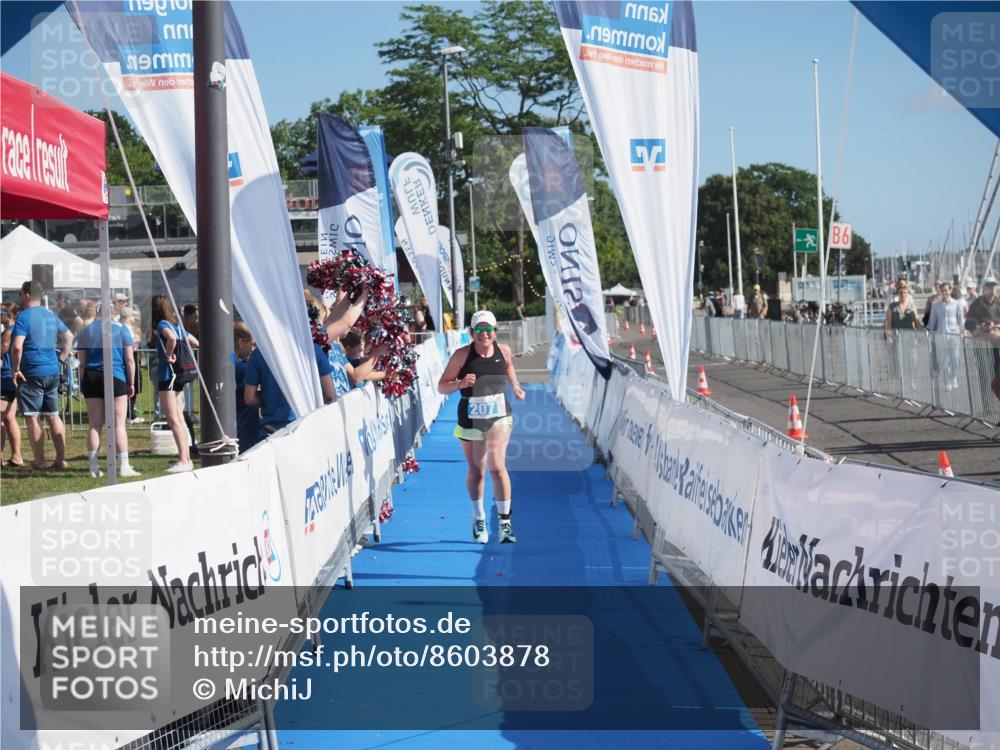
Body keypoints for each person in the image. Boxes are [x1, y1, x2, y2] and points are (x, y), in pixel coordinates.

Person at [437, 310, 526, 545]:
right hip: (470, 416)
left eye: (488, 330)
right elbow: (441, 387)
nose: (484, 334)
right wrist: (460, 383)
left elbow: (508, 367)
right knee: (477, 471)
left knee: (497, 466)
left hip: (499, 415)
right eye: (479, 330)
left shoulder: (503, 350)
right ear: (472, 333)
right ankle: (479, 518)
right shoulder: (462, 355)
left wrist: (515, 386)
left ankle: (505, 523)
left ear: (495, 332)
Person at [9, 280, 73, 470]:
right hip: (52, 371)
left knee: (32, 417)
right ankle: (61, 460)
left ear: (27, 295)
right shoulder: (50, 314)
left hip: (31, 373)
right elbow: (69, 336)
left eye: (20, 294)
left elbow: (17, 346)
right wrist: (62, 357)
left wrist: (15, 369)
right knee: (54, 416)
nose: (19, 297)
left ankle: (39, 461)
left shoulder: (23, 317)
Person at [77, 312, 141, 478]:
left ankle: (93, 467)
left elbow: (82, 362)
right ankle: (124, 466)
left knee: (94, 424)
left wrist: (83, 382)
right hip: (116, 375)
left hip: (91, 376)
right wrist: (132, 382)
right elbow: (129, 359)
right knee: (118, 424)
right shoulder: (121, 329)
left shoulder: (86, 330)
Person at [244, 342, 335, 439]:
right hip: (307, 428)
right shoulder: (312, 349)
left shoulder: (259, 354)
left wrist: (270, 399)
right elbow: (330, 394)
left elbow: (249, 398)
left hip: (273, 432)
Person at [152, 295, 199, 473]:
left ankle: (184, 460)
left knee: (173, 418)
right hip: (178, 376)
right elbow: (195, 342)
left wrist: (168, 355)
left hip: (168, 375)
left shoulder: (163, 325)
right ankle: (186, 458)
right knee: (179, 417)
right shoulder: (178, 326)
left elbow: (170, 338)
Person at [965, 276, 1000, 400]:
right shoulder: (976, 304)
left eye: (994, 286)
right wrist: (981, 328)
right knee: (985, 373)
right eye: (989, 286)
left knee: (998, 374)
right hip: (982, 344)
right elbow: (968, 323)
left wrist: (996, 326)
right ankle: (987, 403)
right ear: (983, 288)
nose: (992, 289)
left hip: (997, 343)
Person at [926, 281, 965, 391]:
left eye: (946, 290)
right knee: (943, 360)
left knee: (955, 359)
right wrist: (928, 330)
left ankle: (953, 376)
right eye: (942, 291)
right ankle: (947, 380)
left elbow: (961, 319)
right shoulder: (936, 305)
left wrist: (963, 331)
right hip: (941, 335)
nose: (944, 292)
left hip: (954, 335)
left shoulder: (956, 304)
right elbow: (932, 321)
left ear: (950, 290)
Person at [1, 304, 25, 468]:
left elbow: (4, 348)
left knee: (1, 419)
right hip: (11, 378)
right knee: (9, 418)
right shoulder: (17, 329)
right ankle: (16, 457)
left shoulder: (10, 330)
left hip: (5, 378)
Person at [231, 322, 261, 453]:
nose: (253, 348)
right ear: (241, 342)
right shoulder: (242, 368)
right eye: (252, 344)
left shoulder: (235, 362)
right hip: (244, 422)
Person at [119, 306, 144, 422]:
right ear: (129, 317)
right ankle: (130, 415)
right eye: (133, 315)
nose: (134, 317)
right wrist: (136, 339)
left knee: (136, 384)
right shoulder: (125, 328)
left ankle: (130, 412)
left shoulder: (128, 328)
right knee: (132, 384)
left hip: (133, 359)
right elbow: (129, 344)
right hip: (129, 359)